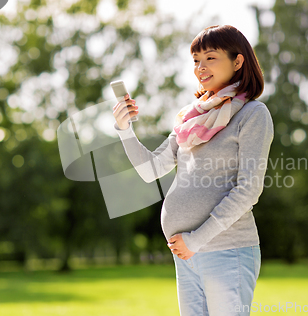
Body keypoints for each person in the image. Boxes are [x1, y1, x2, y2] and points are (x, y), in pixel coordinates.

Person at [112, 25, 274, 316]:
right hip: (186, 256)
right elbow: (151, 170)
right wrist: (124, 130)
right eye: (196, 60)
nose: (200, 67)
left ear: (238, 61)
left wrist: (195, 240)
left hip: (227, 252)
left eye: (210, 58)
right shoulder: (192, 118)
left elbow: (248, 190)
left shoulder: (253, 114)